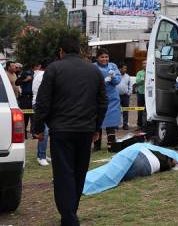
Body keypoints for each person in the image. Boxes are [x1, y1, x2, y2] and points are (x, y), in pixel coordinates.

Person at [32, 32, 107, 225]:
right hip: (85, 129)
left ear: (61, 51)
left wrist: (38, 127)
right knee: (79, 172)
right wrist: (97, 127)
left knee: (63, 173)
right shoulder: (94, 71)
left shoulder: (54, 69)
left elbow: (43, 102)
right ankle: (70, 213)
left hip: (61, 129)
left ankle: (69, 217)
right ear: (81, 51)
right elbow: (102, 102)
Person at [93, 48, 122, 152]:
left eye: (106, 57)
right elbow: (89, 81)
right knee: (98, 122)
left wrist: (113, 76)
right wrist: (102, 82)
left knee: (111, 122)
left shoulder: (113, 66)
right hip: (98, 98)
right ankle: (96, 146)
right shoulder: (93, 67)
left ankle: (111, 145)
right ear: (97, 58)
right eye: (102, 57)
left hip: (112, 98)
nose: (104, 59)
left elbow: (118, 81)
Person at [16, 63, 41, 139]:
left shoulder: (39, 75)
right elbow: (17, 82)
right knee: (25, 116)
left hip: (33, 98)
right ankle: (24, 134)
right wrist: (26, 79)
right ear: (35, 66)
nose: (40, 68)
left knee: (33, 117)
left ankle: (34, 134)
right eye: (39, 66)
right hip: (26, 99)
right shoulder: (26, 73)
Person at [32, 62, 50, 166]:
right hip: (40, 106)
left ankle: (42, 154)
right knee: (45, 131)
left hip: (44, 105)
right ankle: (41, 156)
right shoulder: (42, 76)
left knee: (47, 131)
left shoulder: (42, 74)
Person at [116, 62, 132, 130]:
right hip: (116, 96)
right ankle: (116, 124)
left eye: (126, 68)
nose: (125, 69)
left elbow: (130, 86)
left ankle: (125, 124)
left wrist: (129, 93)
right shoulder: (115, 75)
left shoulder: (127, 76)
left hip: (125, 96)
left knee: (126, 110)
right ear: (119, 69)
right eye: (123, 68)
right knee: (116, 111)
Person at [135, 60, 146, 129]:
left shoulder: (151, 72)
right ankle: (140, 124)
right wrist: (143, 79)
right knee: (140, 109)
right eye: (143, 63)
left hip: (149, 94)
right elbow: (137, 82)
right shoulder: (139, 73)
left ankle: (147, 124)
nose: (145, 64)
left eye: (146, 63)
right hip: (141, 93)